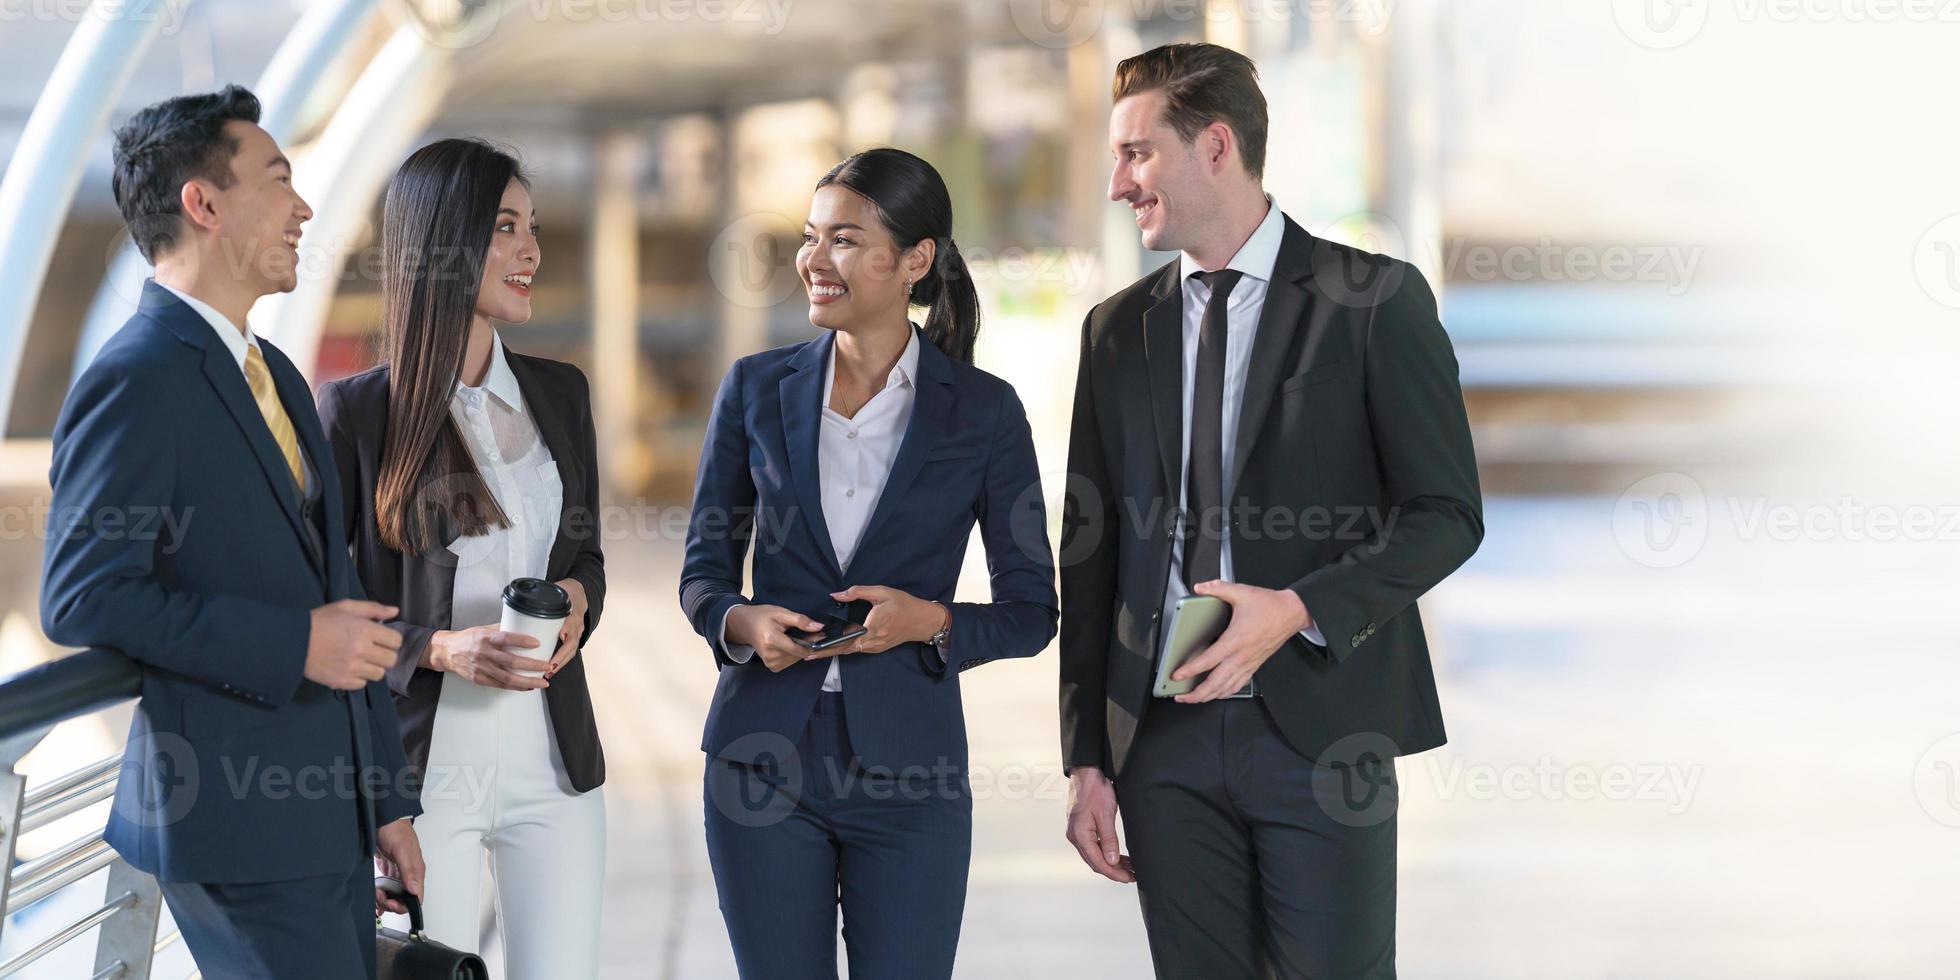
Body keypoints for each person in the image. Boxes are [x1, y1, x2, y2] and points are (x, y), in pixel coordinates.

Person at [1059, 43, 1484, 979]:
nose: (1118, 182)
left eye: (1136, 153)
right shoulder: (1116, 330)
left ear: (1215, 146)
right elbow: (1089, 557)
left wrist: (1296, 609)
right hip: (1163, 742)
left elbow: (1447, 513)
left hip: (1326, 734)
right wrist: (1090, 754)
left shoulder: (1373, 302)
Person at [39, 85, 423, 979]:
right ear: (203, 204)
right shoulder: (135, 379)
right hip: (234, 825)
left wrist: (386, 803)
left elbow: (337, 593)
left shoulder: (275, 374)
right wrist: (295, 644)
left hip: (324, 812)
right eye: (280, 180)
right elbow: (82, 596)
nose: (305, 207)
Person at [679, 147, 1057, 979]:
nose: (814, 259)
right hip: (760, 759)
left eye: (844, 239)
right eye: (811, 237)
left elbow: (1033, 610)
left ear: (915, 260)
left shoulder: (984, 413)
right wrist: (739, 620)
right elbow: (702, 568)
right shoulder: (753, 388)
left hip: (911, 772)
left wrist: (936, 623)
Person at [316, 138, 608, 977]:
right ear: (442, 244)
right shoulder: (355, 415)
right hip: (420, 780)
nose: (531, 251)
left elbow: (584, 552)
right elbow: (322, 607)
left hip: (556, 767)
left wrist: (581, 601)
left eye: (532, 227)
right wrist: (442, 649)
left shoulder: (562, 394)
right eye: (504, 228)